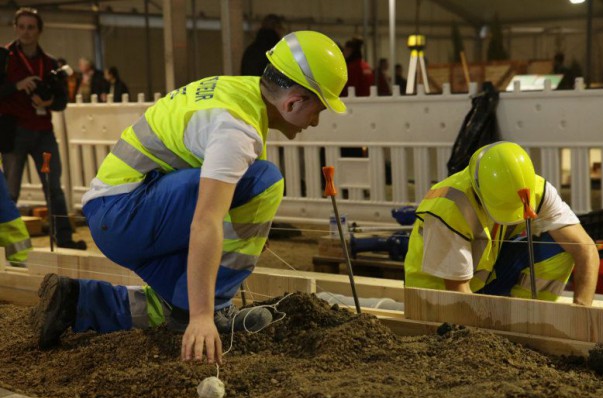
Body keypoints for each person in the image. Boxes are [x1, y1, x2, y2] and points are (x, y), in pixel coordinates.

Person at [32, 31, 348, 365]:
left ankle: (79, 301)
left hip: (122, 214)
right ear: (294, 101)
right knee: (266, 181)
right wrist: (203, 315)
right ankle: (214, 310)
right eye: (318, 110)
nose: (314, 122)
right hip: (126, 213)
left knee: (181, 300)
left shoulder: (238, 93)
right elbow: (206, 221)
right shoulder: (237, 130)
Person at [405, 141, 599, 306]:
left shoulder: (536, 191)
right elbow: (457, 292)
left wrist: (582, 312)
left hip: (483, 281)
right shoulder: (449, 207)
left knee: (561, 245)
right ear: (479, 189)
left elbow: (586, 251)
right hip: (436, 298)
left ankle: (528, 318)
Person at [0, 8, 86, 250]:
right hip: (13, 132)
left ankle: (65, 241)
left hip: (43, 132)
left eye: (31, 27)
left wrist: (47, 102)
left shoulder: (49, 63)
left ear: (39, 31)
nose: (26, 32)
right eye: (22, 27)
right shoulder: (5, 58)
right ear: (15, 28)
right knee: (10, 192)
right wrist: (17, 85)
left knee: (54, 188)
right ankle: (8, 247)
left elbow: (62, 101)